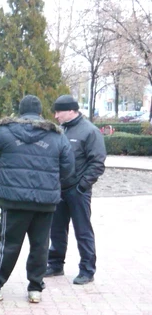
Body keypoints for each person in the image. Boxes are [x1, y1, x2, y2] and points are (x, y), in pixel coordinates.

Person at [0, 95, 74, 303]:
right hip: (45, 203)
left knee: (6, 245)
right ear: (40, 113)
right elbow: (68, 168)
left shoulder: (7, 131)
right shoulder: (57, 136)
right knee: (40, 245)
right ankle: (35, 289)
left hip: (14, 201)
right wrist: (51, 185)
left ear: (20, 112)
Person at [45, 94, 106, 285]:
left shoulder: (90, 132)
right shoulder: (60, 130)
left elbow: (97, 162)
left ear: (71, 110)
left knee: (83, 230)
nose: (56, 116)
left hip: (78, 191)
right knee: (56, 229)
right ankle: (55, 264)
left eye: (59, 112)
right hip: (59, 189)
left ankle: (87, 270)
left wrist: (82, 186)